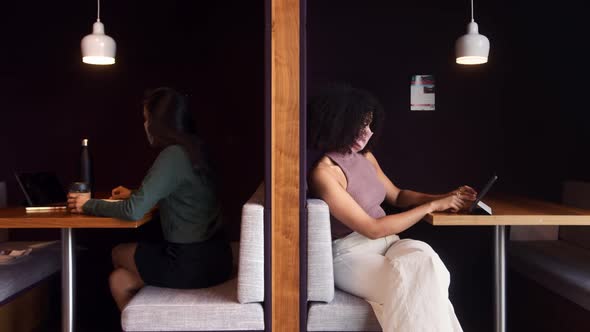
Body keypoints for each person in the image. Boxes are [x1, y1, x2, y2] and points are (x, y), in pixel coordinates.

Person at [307, 85, 477, 332]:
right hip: (351, 254)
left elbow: (397, 196)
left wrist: (446, 197)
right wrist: (433, 205)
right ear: (338, 123)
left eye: (370, 124)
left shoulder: (366, 157)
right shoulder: (324, 173)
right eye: (360, 125)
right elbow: (372, 229)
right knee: (414, 280)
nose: (367, 133)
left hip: (390, 243)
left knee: (430, 263)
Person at [68, 87, 232, 310]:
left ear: (157, 123)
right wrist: (134, 194)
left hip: (190, 262)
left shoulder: (173, 155)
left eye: (146, 119)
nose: (145, 126)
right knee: (119, 280)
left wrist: (88, 204)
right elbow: (181, 193)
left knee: (118, 252)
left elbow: (133, 211)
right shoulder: (197, 149)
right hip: (218, 258)